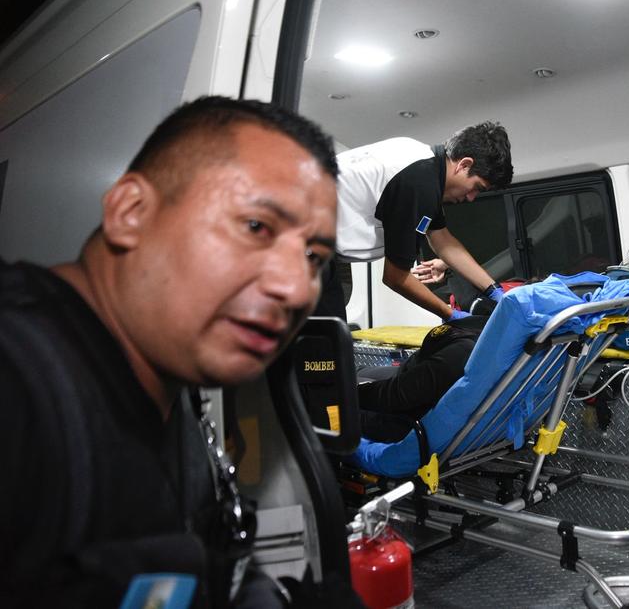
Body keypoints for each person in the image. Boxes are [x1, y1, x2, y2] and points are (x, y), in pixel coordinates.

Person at [0, 97, 340, 608]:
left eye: (313, 256)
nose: (295, 288)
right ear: (131, 213)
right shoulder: (18, 383)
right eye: (256, 227)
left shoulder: (166, 387)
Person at [315, 122, 513, 322]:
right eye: (476, 187)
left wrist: (494, 290)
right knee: (324, 336)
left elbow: (442, 239)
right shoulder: (419, 184)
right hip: (303, 239)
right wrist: (451, 315)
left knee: (329, 332)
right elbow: (395, 277)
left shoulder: (422, 162)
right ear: (464, 165)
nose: (471, 197)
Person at [357, 315, 488, 442]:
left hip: (406, 415)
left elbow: (399, 394)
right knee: (353, 373)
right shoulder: (486, 330)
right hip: (412, 373)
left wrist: (350, 394)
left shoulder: (464, 351)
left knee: (346, 388)